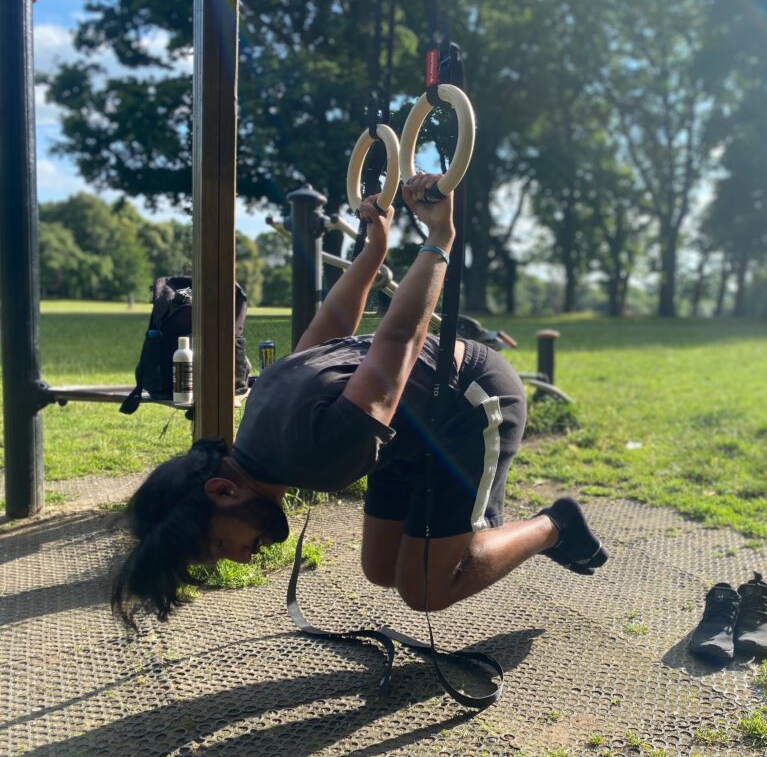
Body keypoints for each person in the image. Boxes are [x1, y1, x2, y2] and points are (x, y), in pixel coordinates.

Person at [112, 173, 608, 630]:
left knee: (425, 589)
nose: (240, 558)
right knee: (380, 568)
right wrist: (375, 249)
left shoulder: (320, 455)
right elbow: (327, 332)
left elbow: (399, 338)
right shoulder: (258, 428)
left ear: (222, 490)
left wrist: (440, 237)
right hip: (409, 432)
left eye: (221, 543)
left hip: (470, 401)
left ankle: (554, 525)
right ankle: (475, 527)